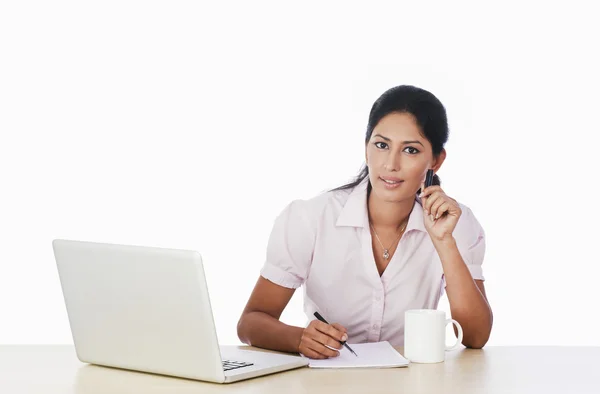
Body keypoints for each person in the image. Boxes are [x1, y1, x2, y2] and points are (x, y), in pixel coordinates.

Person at [237, 85, 493, 359]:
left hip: (411, 382)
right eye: (381, 145)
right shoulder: (311, 219)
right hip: (327, 382)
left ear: (436, 161)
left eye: (410, 150)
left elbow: (475, 336)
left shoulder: (455, 224)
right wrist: (298, 338)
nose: (390, 164)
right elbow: (251, 322)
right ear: (366, 148)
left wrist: (444, 243)